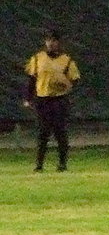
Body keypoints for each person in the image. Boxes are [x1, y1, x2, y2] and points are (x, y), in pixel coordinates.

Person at [23, 30, 81, 172]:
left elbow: (75, 79)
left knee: (60, 132)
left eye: (54, 40)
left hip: (59, 100)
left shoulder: (66, 60)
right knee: (43, 133)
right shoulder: (37, 58)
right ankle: (39, 165)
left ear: (59, 43)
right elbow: (31, 79)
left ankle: (62, 164)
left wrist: (66, 85)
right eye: (48, 40)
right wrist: (28, 98)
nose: (51, 43)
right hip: (43, 99)